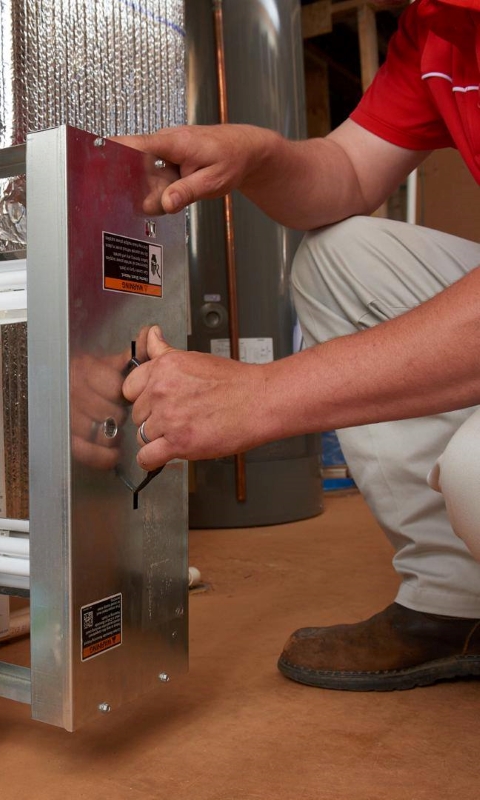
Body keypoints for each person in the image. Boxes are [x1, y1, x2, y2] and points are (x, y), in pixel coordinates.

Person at [118, 0, 480, 691]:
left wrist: (263, 395)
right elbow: (345, 170)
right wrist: (258, 155)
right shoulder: (438, 25)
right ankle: (455, 604)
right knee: (340, 255)